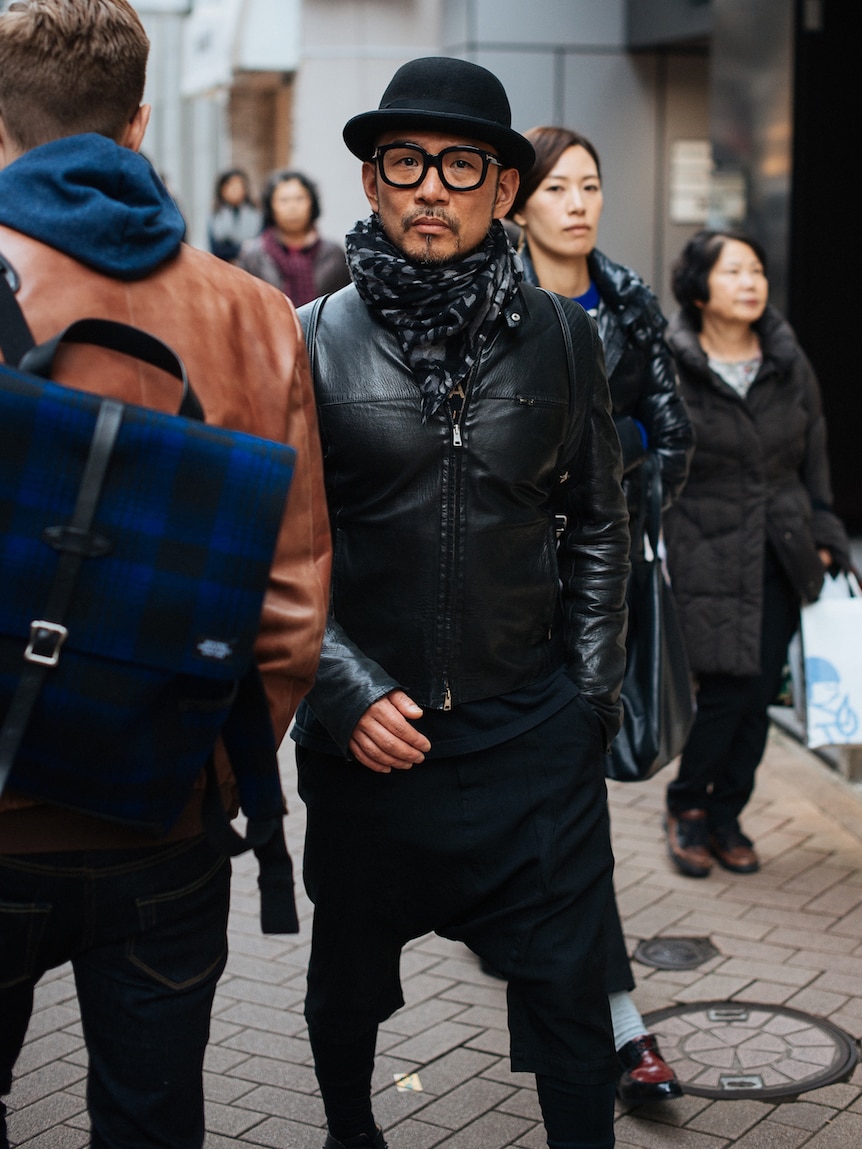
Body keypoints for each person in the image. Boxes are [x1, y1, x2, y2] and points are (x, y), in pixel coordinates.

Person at [0, 3, 331, 1148]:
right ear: (140, 121)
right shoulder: (253, 314)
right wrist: (210, 771)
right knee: (150, 1122)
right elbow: (292, 606)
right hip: (169, 819)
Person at [290, 56, 631, 1149]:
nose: (430, 186)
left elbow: (599, 524)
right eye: (405, 162)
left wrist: (585, 697)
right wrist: (339, 691)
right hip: (369, 744)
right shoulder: (305, 339)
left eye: (460, 164)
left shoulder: (567, 339)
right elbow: (279, 546)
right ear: (372, 184)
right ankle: (353, 1132)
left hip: (530, 734)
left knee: (573, 998)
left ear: (500, 190)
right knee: (345, 984)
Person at [505, 125, 695, 1104]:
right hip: (492, 598)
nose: (579, 203)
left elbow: (673, 436)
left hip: (592, 597)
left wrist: (599, 452)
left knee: (567, 818)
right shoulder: (487, 295)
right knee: (539, 827)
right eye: (558, 188)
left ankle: (614, 1030)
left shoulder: (625, 299)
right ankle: (598, 1019)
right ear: (521, 202)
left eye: (591, 186)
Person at [661, 228, 851, 879]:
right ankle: (688, 806)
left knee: (760, 692)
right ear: (699, 286)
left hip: (781, 548)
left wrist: (826, 532)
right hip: (704, 549)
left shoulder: (786, 358)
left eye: (757, 272)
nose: (750, 283)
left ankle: (726, 813)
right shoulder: (672, 359)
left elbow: (815, 451)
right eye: (734, 271)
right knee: (723, 692)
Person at [236, 168, 350, 306]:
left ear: (312, 203)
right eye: (284, 200)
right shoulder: (253, 256)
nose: (292, 207)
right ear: (271, 206)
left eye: (299, 199)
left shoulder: (333, 255)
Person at [206, 166, 262, 262]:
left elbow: (261, 246)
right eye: (230, 185)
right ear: (222, 189)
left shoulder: (257, 213)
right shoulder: (215, 215)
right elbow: (217, 249)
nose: (235, 189)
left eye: (239, 185)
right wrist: (242, 248)